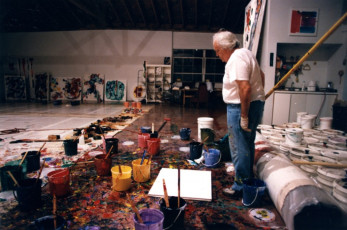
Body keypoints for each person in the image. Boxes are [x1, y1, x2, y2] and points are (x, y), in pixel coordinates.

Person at [212, 30, 265, 198]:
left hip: (240, 107)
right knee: (248, 144)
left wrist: (244, 115)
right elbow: (261, 76)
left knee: (238, 147)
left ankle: (240, 186)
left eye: (218, 50)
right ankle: (247, 179)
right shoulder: (247, 53)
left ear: (226, 48)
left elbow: (245, 87)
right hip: (254, 104)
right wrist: (259, 95)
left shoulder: (235, 59)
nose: (217, 54)